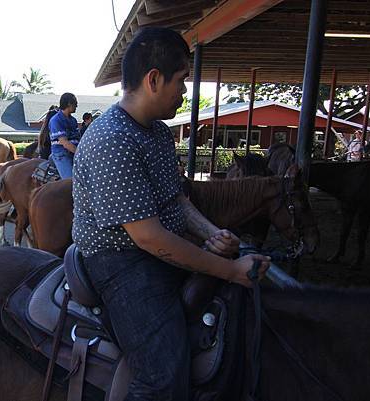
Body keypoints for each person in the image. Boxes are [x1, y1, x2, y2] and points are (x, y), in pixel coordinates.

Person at [72, 27, 270, 401]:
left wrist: (213, 233)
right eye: (181, 81)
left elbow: (176, 200)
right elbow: (148, 236)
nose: (184, 92)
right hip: (121, 263)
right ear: (153, 79)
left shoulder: (158, 134)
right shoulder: (112, 140)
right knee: (163, 378)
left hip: (157, 246)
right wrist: (229, 270)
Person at [49, 93, 79, 178]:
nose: (77, 106)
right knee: (70, 182)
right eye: (75, 103)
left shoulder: (73, 120)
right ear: (69, 104)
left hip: (73, 153)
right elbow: (64, 143)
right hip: (62, 154)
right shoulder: (56, 120)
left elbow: (78, 139)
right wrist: (79, 153)